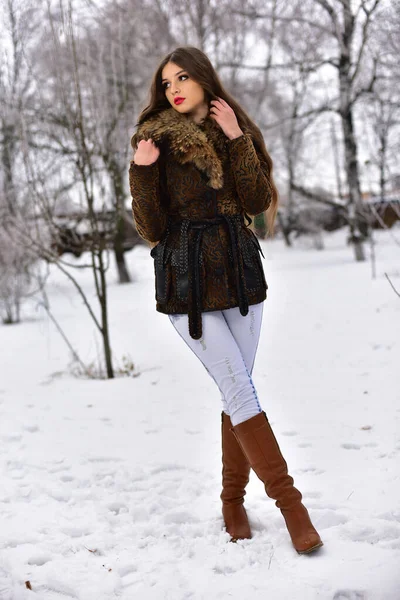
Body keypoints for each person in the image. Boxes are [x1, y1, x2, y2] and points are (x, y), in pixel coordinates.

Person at [128, 46, 323, 555]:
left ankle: (232, 500)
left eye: (184, 77)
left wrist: (238, 140)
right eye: (167, 81)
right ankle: (293, 509)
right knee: (238, 387)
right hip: (186, 284)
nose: (174, 88)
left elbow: (257, 203)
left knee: (237, 393)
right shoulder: (154, 142)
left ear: (204, 79)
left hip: (240, 276)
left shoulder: (235, 128)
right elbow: (150, 228)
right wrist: (143, 172)